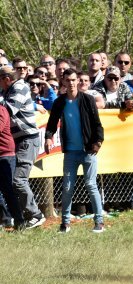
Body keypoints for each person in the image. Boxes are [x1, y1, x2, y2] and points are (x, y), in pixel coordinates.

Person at [44, 68, 105, 233]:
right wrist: (48, 138)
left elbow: (97, 124)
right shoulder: (59, 102)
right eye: (67, 80)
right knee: (67, 187)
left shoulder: (88, 100)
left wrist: (98, 142)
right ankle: (65, 223)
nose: (70, 83)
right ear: (63, 81)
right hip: (70, 151)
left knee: (91, 184)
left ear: (78, 81)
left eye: (73, 80)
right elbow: (51, 124)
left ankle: (99, 221)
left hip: (87, 150)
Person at [0, 66, 45, 228]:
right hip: (19, 140)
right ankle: (23, 215)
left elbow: (8, 109)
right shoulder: (9, 90)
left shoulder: (19, 87)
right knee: (13, 181)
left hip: (28, 139)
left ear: (6, 79)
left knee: (18, 180)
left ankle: (36, 214)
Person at [0, 104, 26, 230]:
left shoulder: (1, 110)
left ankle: (19, 221)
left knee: (8, 191)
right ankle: (5, 220)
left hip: (5, 155)